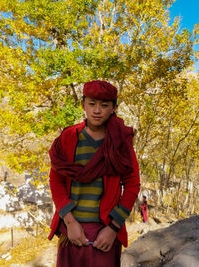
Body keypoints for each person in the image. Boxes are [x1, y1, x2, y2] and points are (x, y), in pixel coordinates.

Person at [48, 80, 140, 267]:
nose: (97, 110)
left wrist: (113, 228)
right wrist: (70, 222)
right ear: (83, 105)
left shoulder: (120, 141)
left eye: (104, 105)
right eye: (92, 104)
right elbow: (56, 179)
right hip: (71, 230)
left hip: (104, 233)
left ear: (113, 108)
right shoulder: (69, 137)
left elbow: (132, 184)